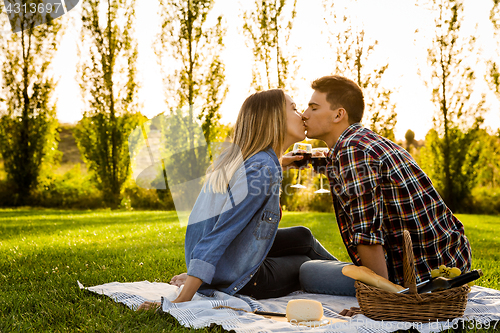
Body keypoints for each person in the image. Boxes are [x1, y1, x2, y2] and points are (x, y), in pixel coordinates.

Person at [139, 89, 336, 310]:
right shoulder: (263, 168)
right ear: (275, 119)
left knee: (303, 236)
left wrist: (281, 162)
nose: (303, 115)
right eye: (294, 108)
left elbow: (250, 181)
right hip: (246, 280)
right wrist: (180, 300)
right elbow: (220, 233)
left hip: (229, 263)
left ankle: (357, 274)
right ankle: (365, 282)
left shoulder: (242, 159)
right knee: (307, 266)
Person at [299, 75, 472, 296]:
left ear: (338, 114)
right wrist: (297, 161)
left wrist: (381, 297)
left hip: (418, 279)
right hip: (449, 261)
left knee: (307, 270)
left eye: (313, 107)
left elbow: (368, 236)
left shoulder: (353, 152)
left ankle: (382, 289)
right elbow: (338, 168)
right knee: (304, 249)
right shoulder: (364, 141)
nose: (304, 114)